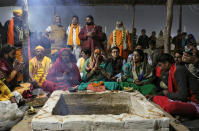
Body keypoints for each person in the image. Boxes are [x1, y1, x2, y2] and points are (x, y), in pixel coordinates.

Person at [4, 9, 26, 82]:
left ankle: (19, 81)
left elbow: (27, 35)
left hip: (21, 49)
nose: (20, 17)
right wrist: (6, 49)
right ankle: (11, 82)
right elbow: (4, 36)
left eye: (21, 16)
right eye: (19, 16)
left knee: (20, 66)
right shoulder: (9, 23)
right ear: (15, 16)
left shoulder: (23, 24)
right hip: (11, 49)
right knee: (10, 66)